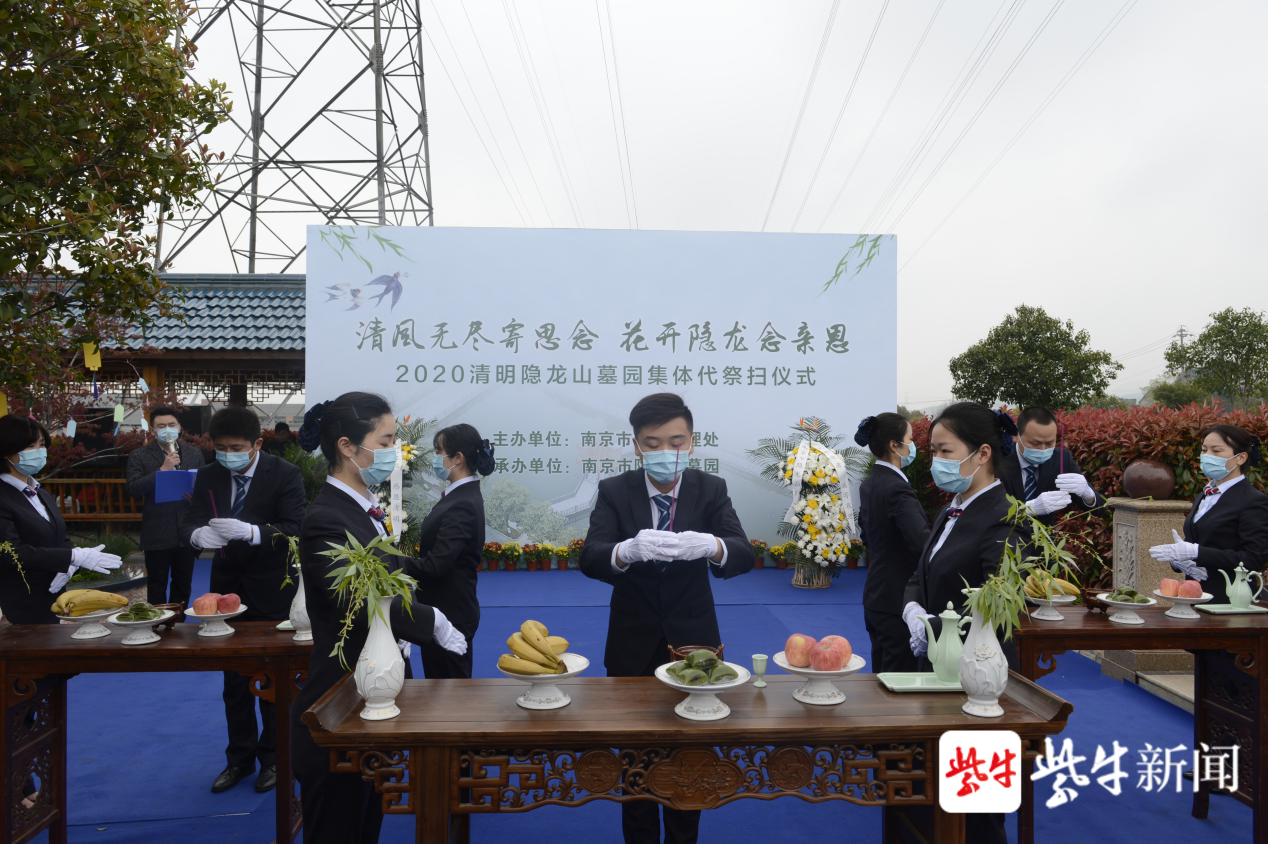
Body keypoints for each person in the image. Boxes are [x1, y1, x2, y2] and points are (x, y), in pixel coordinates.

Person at [290, 392, 468, 844]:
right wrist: (433, 624)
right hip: (340, 702)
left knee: (366, 818)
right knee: (340, 826)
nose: (394, 451)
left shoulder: (359, 506)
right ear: (348, 447)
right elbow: (364, 597)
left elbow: (388, 574)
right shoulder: (327, 518)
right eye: (386, 440)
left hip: (368, 696)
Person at [580, 392, 756, 844]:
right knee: (635, 763)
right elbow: (592, 557)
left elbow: (742, 553)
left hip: (695, 643)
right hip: (631, 640)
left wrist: (711, 546)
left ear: (692, 441)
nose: (665, 453)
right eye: (653, 443)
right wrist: (625, 551)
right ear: (637, 446)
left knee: (690, 762)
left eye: (676, 441)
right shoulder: (614, 490)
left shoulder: (709, 488)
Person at [902, 401, 1017, 844]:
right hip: (936, 670)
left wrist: (942, 627)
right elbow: (920, 573)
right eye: (933, 452)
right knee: (934, 794)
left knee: (978, 801)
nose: (937, 464)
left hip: (977, 677)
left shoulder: (1005, 516)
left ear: (982, 454)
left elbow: (999, 602)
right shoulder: (953, 507)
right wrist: (914, 610)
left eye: (946, 452)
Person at [180, 406, 306, 795]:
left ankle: (275, 760)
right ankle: (239, 758)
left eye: (236, 447)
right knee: (233, 682)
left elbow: (296, 530)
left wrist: (252, 532)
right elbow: (188, 520)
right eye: (220, 447)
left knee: (274, 682)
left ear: (257, 444)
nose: (227, 454)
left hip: (273, 591)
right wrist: (196, 536)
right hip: (224, 593)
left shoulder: (285, 475)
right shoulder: (208, 475)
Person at [0, 415, 122, 623]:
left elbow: (57, 535)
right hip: (21, 600)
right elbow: (11, 553)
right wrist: (72, 557)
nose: (39, 451)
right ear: (7, 451)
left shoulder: (40, 492)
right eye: (30, 446)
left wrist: (68, 564)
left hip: (53, 596)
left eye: (42, 444)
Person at [1149, 424, 1268, 603]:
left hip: (1230, 602)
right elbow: (1202, 541)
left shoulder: (1253, 501)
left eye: (1216, 451)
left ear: (1240, 458)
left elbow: (1253, 559)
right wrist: (1181, 559)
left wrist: (1196, 552)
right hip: (1194, 598)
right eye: (1204, 450)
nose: (1207, 456)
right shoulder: (1205, 494)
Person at [412, 423, 493, 679]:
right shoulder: (459, 496)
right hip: (443, 608)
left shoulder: (462, 504)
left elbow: (437, 565)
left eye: (439, 451)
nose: (435, 458)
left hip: (450, 614)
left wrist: (388, 561)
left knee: (448, 694)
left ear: (458, 458)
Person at [855, 413, 930, 673]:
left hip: (877, 593)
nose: (914, 446)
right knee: (899, 679)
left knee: (882, 673)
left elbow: (867, 534)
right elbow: (922, 541)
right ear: (894, 445)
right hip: (898, 600)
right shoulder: (897, 489)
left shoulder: (870, 483)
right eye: (910, 439)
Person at [126, 405, 205, 606]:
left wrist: (196, 494)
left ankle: (178, 627)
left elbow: (205, 485)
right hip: (157, 530)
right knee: (157, 584)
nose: (167, 429)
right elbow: (133, 489)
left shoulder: (194, 453)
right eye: (161, 426)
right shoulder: (139, 456)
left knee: (183, 584)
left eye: (171, 424)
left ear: (179, 427)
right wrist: (162, 471)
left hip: (187, 530)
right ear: (153, 430)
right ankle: (158, 625)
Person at [999, 406, 1104, 525]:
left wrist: (1087, 494)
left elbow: (1100, 510)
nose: (1043, 449)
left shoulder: (1061, 459)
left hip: (1044, 542)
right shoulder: (998, 462)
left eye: (1049, 443)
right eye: (1035, 443)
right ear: (1017, 437)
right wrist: (1027, 509)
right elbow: (987, 513)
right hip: (1002, 540)